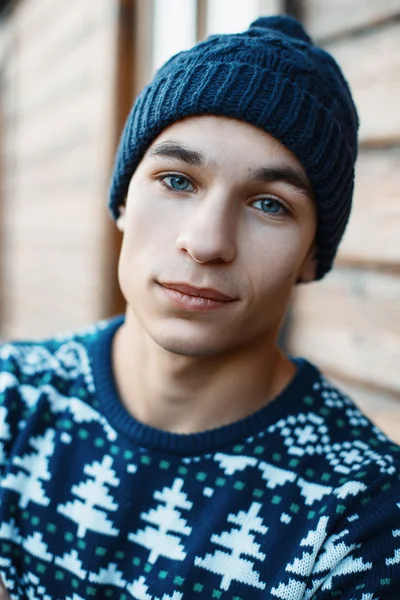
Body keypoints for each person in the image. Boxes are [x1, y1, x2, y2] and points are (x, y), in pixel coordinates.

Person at [0, 14, 399, 600]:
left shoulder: (364, 511)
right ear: (123, 203)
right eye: (177, 181)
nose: (208, 242)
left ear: (312, 255)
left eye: (269, 204)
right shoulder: (12, 401)